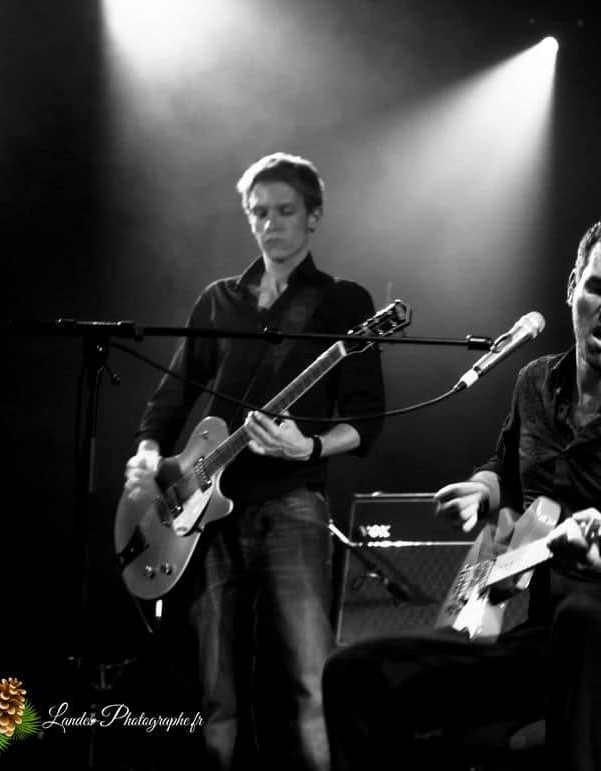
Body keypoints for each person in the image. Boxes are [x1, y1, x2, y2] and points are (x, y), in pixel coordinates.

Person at [322, 205, 601, 771]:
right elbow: (509, 467)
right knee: (356, 674)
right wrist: (483, 490)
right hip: (546, 637)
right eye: (598, 287)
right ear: (572, 288)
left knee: (590, 615)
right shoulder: (535, 383)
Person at [122, 152, 385, 771]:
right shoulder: (219, 300)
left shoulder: (344, 301)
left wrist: (308, 446)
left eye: (285, 211)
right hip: (203, 511)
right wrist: (148, 455)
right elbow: (171, 397)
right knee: (215, 689)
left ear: (314, 216)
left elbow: (366, 420)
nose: (270, 224)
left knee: (310, 680)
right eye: (259, 213)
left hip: (293, 500)